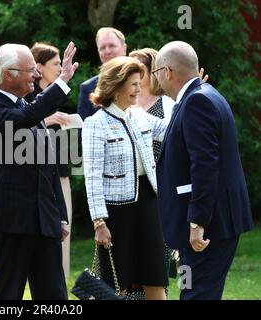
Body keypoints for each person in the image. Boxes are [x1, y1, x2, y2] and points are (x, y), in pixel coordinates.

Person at [0, 42, 78, 300]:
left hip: (44, 221)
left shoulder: (28, 106)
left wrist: (61, 216)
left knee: (54, 297)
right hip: (10, 222)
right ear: (9, 74)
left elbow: (49, 168)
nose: (37, 74)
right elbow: (25, 119)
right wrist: (62, 81)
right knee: (7, 297)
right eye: (30, 69)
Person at [154, 41, 253, 300]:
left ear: (167, 72)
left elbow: (205, 167)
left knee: (196, 294)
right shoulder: (205, 94)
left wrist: (197, 222)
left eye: (155, 73)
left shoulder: (197, 101)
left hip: (208, 224)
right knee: (198, 292)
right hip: (217, 219)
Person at [82, 56, 168, 300]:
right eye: (133, 84)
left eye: (139, 83)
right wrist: (99, 222)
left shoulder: (138, 115)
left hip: (148, 206)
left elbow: (171, 128)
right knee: (114, 287)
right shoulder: (95, 124)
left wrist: (188, 99)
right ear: (116, 86)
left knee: (155, 278)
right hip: (116, 214)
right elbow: (92, 177)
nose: (139, 89)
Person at [25, 42, 73, 278]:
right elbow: (30, 116)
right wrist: (48, 118)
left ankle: (60, 283)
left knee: (66, 226)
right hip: (38, 175)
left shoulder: (56, 96)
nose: (58, 68)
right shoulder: (30, 98)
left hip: (60, 168)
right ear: (39, 67)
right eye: (55, 64)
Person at [77, 27, 127, 120]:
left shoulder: (140, 79)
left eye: (112, 46)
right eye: (102, 48)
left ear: (124, 48)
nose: (107, 51)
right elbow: (83, 129)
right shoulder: (88, 88)